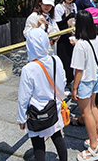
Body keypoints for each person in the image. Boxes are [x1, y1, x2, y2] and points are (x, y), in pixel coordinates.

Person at [17, 28, 67, 161]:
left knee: (38, 145)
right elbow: (63, 81)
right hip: (53, 107)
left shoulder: (28, 69)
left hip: (36, 112)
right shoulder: (56, 60)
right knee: (57, 137)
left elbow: (23, 98)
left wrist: (22, 119)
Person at [71, 10, 98, 161]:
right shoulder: (97, 38)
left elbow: (79, 70)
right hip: (95, 78)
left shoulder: (80, 45)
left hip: (85, 81)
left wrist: (74, 87)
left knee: (86, 113)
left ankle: (93, 147)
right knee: (93, 107)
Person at [54, 0, 77, 89]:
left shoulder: (74, 6)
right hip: (63, 38)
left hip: (73, 36)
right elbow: (58, 25)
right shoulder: (59, 7)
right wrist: (68, 17)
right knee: (64, 61)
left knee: (73, 60)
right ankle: (65, 82)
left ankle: (72, 80)